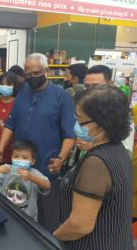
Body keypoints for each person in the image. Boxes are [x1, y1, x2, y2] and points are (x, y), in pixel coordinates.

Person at [0, 53, 76, 232]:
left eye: (36, 73)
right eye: (28, 74)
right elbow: (10, 124)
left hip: (48, 164)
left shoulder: (61, 96)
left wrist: (61, 158)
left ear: (46, 70)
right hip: (21, 164)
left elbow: (69, 134)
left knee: (47, 214)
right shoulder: (22, 95)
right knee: (19, 205)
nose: (32, 77)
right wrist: (1, 148)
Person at [54, 85, 132, 250]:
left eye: (79, 120)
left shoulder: (96, 163)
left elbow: (80, 225)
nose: (76, 125)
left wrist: (51, 238)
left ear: (102, 124)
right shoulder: (119, 150)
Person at [0, 140, 50, 221]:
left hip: (27, 218)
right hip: (5, 212)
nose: (19, 160)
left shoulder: (33, 173)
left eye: (24, 157)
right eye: (16, 156)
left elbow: (47, 186)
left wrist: (31, 177)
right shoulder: (6, 169)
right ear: (11, 157)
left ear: (32, 161)